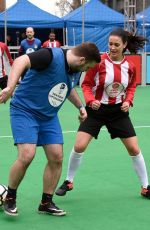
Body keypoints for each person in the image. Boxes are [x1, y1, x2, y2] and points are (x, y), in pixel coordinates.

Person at [0, 42, 100, 217]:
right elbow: (20, 61)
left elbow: (67, 88)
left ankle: (46, 202)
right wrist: (9, 87)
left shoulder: (74, 69)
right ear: (82, 59)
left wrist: (81, 107)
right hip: (25, 110)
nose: (85, 71)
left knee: (56, 157)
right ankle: (10, 197)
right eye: (87, 67)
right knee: (27, 155)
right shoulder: (50, 56)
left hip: (49, 116)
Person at [55, 28, 150, 200]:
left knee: (134, 149)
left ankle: (145, 187)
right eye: (110, 44)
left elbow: (131, 86)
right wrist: (91, 100)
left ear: (124, 45)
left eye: (116, 45)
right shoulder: (99, 62)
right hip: (96, 112)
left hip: (118, 112)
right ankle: (69, 181)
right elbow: (86, 84)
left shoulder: (130, 66)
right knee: (79, 146)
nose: (112, 48)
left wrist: (128, 101)